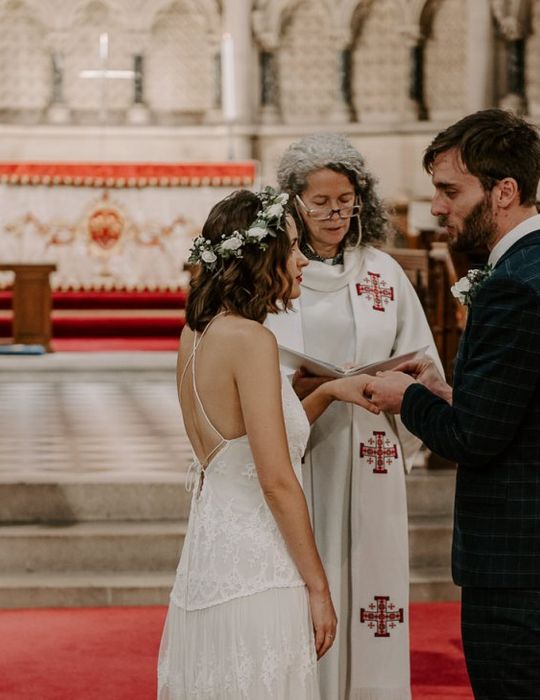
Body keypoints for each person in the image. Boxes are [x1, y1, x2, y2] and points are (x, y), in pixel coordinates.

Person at [367, 109, 540, 700]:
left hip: (517, 564)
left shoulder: (513, 286)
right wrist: (447, 390)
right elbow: (526, 411)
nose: (436, 207)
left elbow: (475, 438)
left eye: (451, 190)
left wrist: (409, 400)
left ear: (504, 191)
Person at [157, 188, 378, 699]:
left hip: (208, 568)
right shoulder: (253, 341)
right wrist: (319, 588)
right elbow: (277, 480)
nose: (303, 260)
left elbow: (245, 445)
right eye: (294, 247)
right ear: (261, 254)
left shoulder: (198, 331)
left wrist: (326, 391)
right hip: (259, 571)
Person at [265, 133, 442, 700]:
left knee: (371, 583)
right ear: (292, 202)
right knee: (307, 586)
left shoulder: (383, 272)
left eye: (346, 199)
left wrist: (410, 387)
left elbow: (423, 359)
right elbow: (255, 363)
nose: (336, 213)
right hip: (304, 444)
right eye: (320, 202)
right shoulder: (275, 275)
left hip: (372, 446)